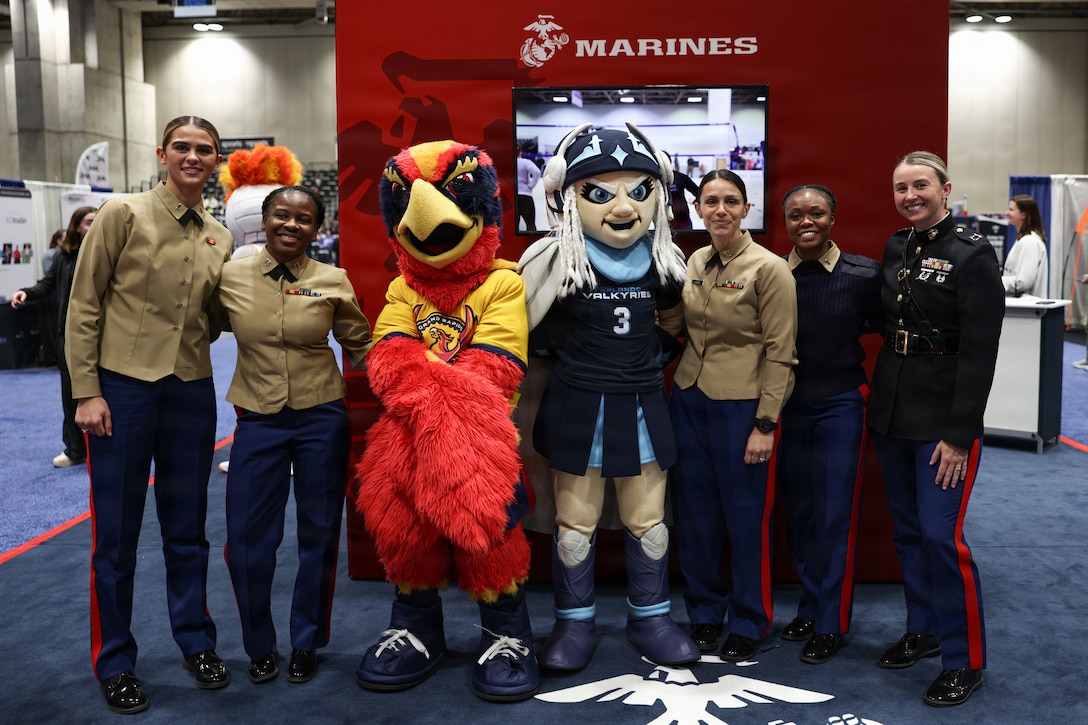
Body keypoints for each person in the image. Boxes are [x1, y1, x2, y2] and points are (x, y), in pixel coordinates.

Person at [66, 116, 234, 715]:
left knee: (188, 530)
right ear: (163, 153)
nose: (193, 157)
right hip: (121, 391)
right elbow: (84, 304)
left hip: (190, 393)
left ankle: (196, 642)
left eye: (205, 150)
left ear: (216, 160)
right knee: (115, 536)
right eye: (182, 148)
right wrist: (87, 392)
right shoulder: (122, 214)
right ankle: (115, 660)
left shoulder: (221, 236)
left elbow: (215, 317)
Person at [518, 123, 697, 671]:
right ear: (566, 197)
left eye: (639, 190)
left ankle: (651, 617)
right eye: (599, 192)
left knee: (650, 519)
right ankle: (574, 623)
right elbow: (524, 333)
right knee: (576, 521)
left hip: (643, 403)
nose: (624, 206)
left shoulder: (668, 264)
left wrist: (651, 355)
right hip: (577, 405)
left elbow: (675, 322)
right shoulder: (554, 262)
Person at [211, 186, 372, 685]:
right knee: (245, 541)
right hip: (257, 419)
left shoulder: (333, 279)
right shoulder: (230, 276)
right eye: (282, 215)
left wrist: (423, 384)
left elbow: (362, 343)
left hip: (321, 419)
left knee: (319, 536)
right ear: (264, 219)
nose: (291, 225)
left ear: (317, 228)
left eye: (304, 219)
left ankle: (306, 642)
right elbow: (196, 326)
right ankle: (260, 646)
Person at [868, 151, 1003, 707]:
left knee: (943, 541)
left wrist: (959, 434)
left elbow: (980, 354)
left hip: (942, 425)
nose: (910, 196)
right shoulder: (897, 246)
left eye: (920, 185)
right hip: (894, 414)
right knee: (907, 534)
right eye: (901, 188)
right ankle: (923, 631)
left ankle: (964, 659)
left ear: (945, 189)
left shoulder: (971, 255)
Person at [669, 169, 798, 662]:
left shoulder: (769, 270)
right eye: (710, 201)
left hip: (743, 408)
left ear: (747, 210)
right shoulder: (696, 259)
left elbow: (782, 353)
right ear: (698, 210)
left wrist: (765, 424)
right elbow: (678, 323)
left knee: (746, 520)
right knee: (697, 518)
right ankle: (704, 614)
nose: (720, 209)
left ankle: (749, 619)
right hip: (690, 400)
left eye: (731, 201)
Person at [776, 185, 882, 664]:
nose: (806, 222)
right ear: (786, 221)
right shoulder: (773, 274)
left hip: (842, 405)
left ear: (833, 218)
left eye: (816, 213)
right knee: (799, 514)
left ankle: (833, 623)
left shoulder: (864, 275)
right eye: (796, 215)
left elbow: (898, 336)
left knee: (834, 514)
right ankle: (811, 605)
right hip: (788, 407)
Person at [10, 211, 97, 466]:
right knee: (70, 394)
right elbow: (46, 285)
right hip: (67, 336)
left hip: (99, 335)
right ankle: (75, 449)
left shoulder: (106, 253)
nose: (93, 226)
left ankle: (102, 449)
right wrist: (25, 293)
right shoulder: (62, 257)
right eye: (88, 222)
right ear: (77, 227)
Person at [1001, 194, 1048, 297]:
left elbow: (1022, 282)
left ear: (1024, 214)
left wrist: (996, 282)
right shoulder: (1023, 240)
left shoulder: (1029, 242)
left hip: (1025, 308)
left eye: (1011, 210)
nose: (1007, 213)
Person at [516, 145, 542, 232]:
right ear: (520, 152)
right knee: (530, 224)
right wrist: (531, 185)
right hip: (525, 195)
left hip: (511, 196)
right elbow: (537, 172)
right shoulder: (525, 162)